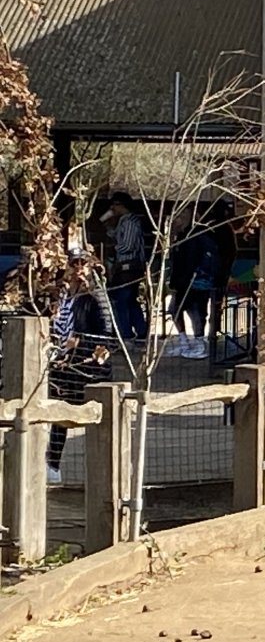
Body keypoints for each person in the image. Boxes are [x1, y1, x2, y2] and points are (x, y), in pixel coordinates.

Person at [46, 248, 115, 484]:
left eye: (82, 264)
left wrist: (81, 342)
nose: (78, 269)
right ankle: (52, 466)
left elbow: (108, 336)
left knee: (92, 418)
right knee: (58, 416)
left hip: (87, 369)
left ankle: (102, 474)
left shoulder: (96, 297)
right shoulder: (62, 295)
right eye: (73, 264)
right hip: (62, 365)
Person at [165, 205, 219, 360]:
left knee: (195, 311)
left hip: (195, 280)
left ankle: (199, 343)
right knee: (176, 309)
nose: (177, 220)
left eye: (181, 216)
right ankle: (184, 342)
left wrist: (195, 275)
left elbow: (196, 259)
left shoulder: (198, 235)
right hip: (183, 280)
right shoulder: (181, 235)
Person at [99, 190, 149, 345]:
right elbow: (118, 236)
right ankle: (140, 332)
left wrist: (115, 248)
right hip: (128, 267)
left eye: (115, 205)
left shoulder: (130, 222)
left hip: (129, 266)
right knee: (129, 300)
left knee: (122, 300)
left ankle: (126, 334)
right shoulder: (124, 221)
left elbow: (127, 245)